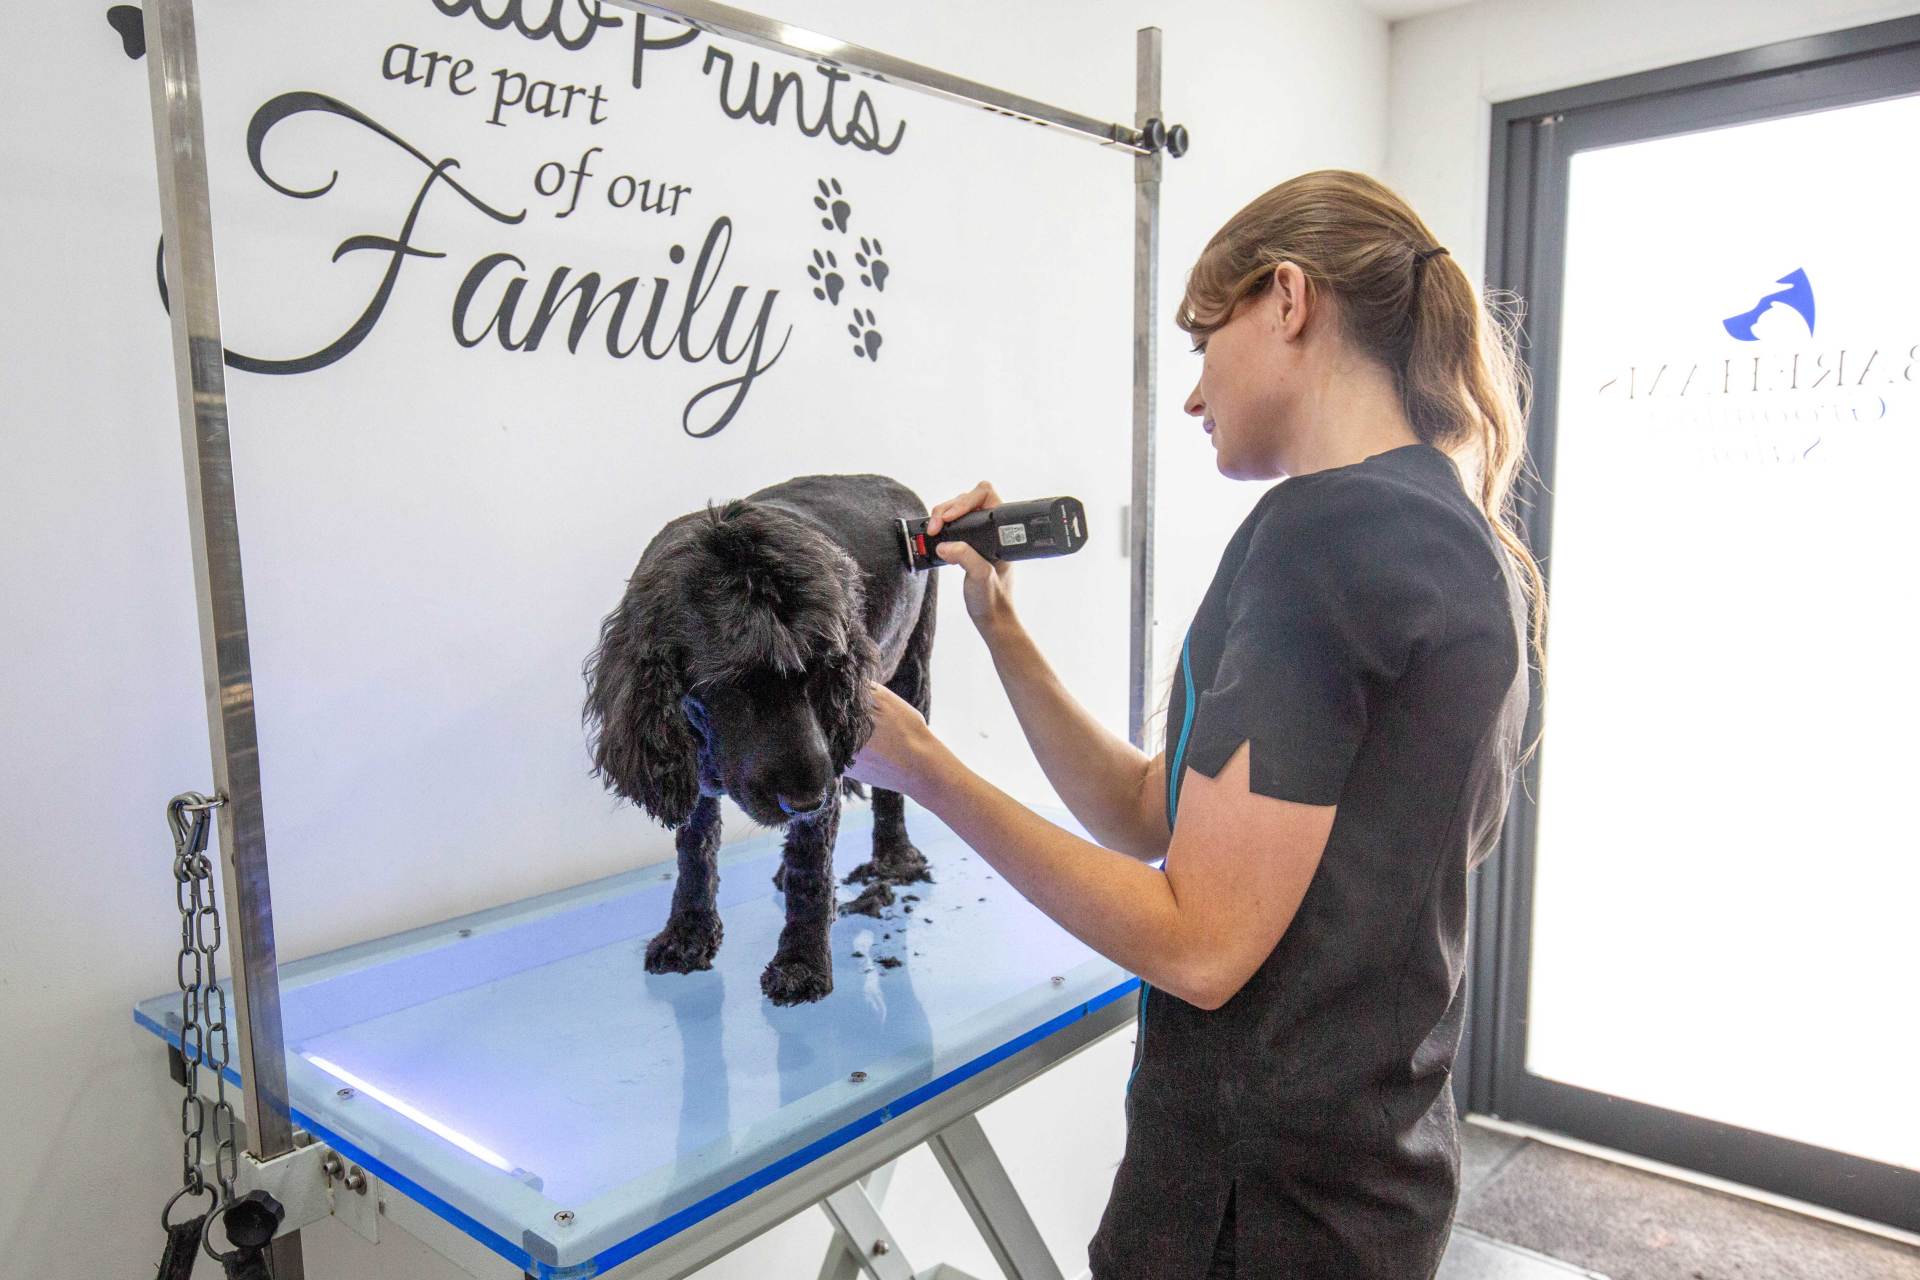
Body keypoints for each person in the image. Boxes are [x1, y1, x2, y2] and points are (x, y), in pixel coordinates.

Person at [843, 169, 1546, 1280]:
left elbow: (1200, 944)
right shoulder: (1446, 535)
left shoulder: (1325, 538)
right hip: (1365, 1176)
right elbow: (1145, 809)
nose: (1191, 393)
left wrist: (917, 764)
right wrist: (1001, 631)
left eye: (1199, 340)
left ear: (1287, 299)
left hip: (1257, 1210)